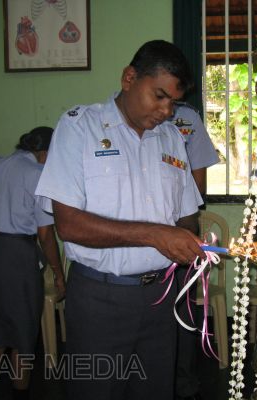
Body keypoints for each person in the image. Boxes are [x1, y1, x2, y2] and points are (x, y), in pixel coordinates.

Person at [35, 40, 206, 400]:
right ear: (129, 78)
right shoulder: (80, 128)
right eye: (159, 96)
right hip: (100, 299)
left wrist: (185, 240)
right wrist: (155, 235)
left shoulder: (172, 138)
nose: (166, 111)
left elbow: (188, 215)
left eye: (173, 102)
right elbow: (68, 225)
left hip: (161, 298)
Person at [0, 127, 66, 400]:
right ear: (45, 153)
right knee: (23, 334)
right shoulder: (38, 175)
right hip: (16, 254)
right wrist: (58, 273)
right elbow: (45, 234)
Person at [169, 102, 219, 400]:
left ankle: (184, 381)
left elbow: (198, 184)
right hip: (144, 229)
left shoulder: (187, 118)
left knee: (182, 305)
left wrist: (179, 224)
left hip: (181, 223)